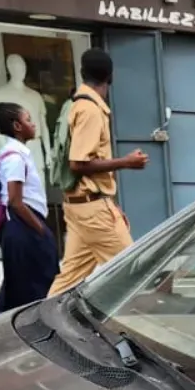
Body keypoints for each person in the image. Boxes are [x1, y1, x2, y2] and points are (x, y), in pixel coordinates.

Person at [48, 49, 147, 297]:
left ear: (82, 73)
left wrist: (108, 203)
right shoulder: (90, 110)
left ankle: (42, 326)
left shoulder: (74, 104)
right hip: (91, 209)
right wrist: (126, 162)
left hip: (80, 205)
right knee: (134, 270)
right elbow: (78, 163)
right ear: (110, 77)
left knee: (69, 278)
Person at [0, 103, 58, 315]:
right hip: (22, 227)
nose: (33, 124)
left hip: (21, 226)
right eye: (28, 120)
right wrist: (41, 230)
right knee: (27, 294)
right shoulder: (14, 158)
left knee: (19, 294)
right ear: (17, 126)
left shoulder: (15, 154)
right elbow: (15, 201)